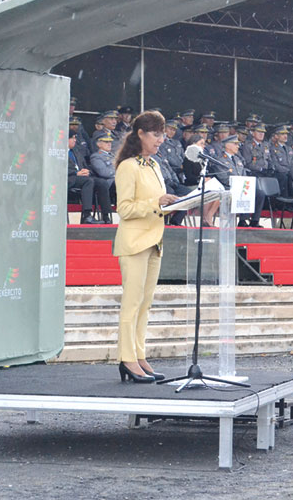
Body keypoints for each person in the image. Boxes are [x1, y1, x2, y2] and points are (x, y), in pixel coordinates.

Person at [113, 112, 178, 383]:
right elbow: (124, 209)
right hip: (135, 242)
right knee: (132, 303)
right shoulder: (128, 166)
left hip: (155, 240)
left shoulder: (153, 165)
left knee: (145, 304)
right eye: (155, 134)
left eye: (162, 135)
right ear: (140, 133)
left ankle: (139, 355)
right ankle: (127, 358)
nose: (160, 140)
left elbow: (156, 202)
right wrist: (156, 203)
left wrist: (171, 205)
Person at [214, 134, 265, 228]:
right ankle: (243, 220)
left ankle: (255, 220)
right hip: (228, 186)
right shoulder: (220, 159)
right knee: (241, 192)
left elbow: (243, 174)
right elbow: (223, 177)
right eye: (235, 144)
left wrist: (243, 183)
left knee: (259, 193)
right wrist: (238, 184)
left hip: (240, 186)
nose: (238, 146)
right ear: (227, 145)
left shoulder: (238, 159)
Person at [68, 129, 111, 224]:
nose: (75, 140)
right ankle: (86, 215)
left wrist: (87, 171)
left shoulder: (76, 151)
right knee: (88, 181)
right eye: (72, 138)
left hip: (82, 177)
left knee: (102, 183)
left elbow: (85, 166)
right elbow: (58, 170)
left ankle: (106, 216)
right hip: (69, 178)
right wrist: (76, 173)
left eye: (75, 138)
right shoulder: (60, 153)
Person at [267, 124, 293, 194]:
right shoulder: (273, 148)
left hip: (290, 172)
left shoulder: (289, 148)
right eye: (282, 134)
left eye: (286, 134)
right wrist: (288, 171)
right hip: (280, 172)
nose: (285, 136)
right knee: (284, 177)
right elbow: (275, 164)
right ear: (276, 136)